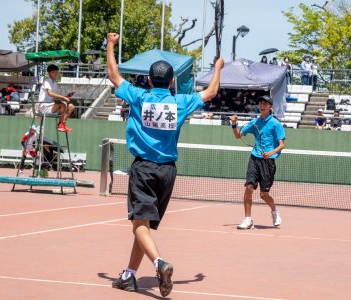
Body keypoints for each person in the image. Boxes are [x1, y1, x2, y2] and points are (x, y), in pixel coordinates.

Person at [105, 32, 224, 297]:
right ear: (172, 81)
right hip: (168, 173)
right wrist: (217, 68)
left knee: (139, 225)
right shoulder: (180, 101)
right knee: (143, 226)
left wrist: (111, 45)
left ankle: (160, 263)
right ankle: (129, 275)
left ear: (148, 79)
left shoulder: (138, 96)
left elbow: (114, 75)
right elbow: (212, 91)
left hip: (144, 169)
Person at [229, 95, 285, 230]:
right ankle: (248, 220)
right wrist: (234, 124)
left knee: (263, 195)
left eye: (265, 103)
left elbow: (281, 145)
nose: (262, 105)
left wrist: (270, 153)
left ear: (270, 106)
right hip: (254, 158)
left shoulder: (276, 124)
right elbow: (238, 136)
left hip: (268, 162)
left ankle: (274, 211)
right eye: (260, 103)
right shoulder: (255, 123)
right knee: (249, 187)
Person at [37, 64, 75, 132]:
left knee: (71, 107)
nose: (56, 74)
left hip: (51, 106)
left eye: (57, 72)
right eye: (54, 72)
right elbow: (50, 93)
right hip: (44, 106)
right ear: (49, 73)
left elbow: (56, 98)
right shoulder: (47, 81)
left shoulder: (55, 83)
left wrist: (67, 96)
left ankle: (62, 123)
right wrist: (63, 98)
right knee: (62, 104)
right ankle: (60, 125)